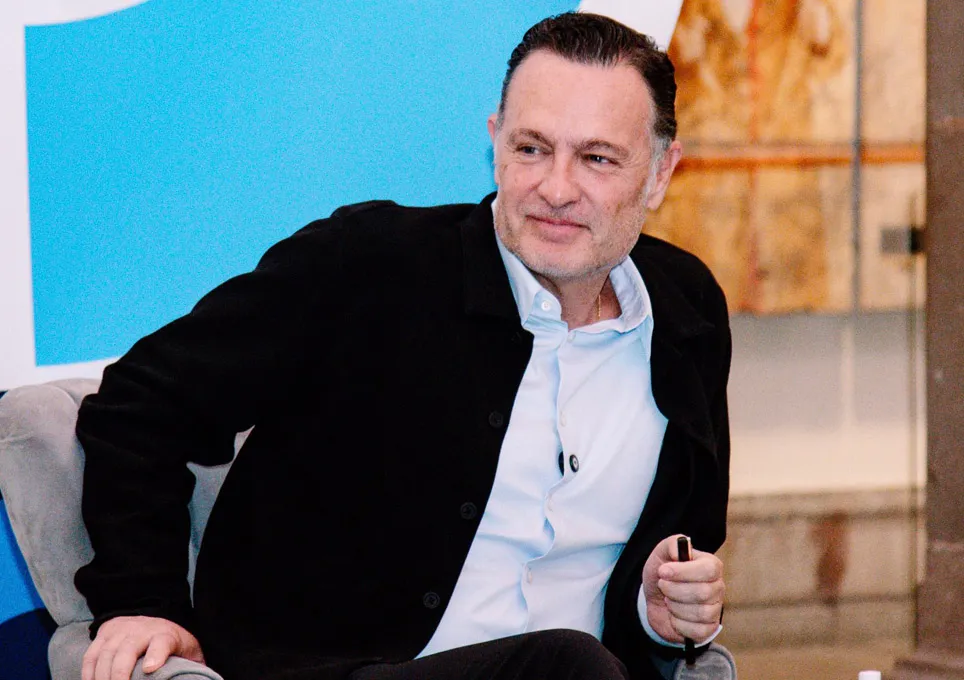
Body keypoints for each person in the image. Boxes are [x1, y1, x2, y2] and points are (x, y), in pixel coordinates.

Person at [74, 12, 731, 680]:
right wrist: (142, 603)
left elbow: (679, 544)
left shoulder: (687, 315)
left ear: (659, 173)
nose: (556, 189)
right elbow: (140, 403)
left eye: (597, 159)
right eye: (532, 149)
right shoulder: (371, 267)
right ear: (494, 142)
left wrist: (655, 612)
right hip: (340, 668)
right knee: (564, 663)